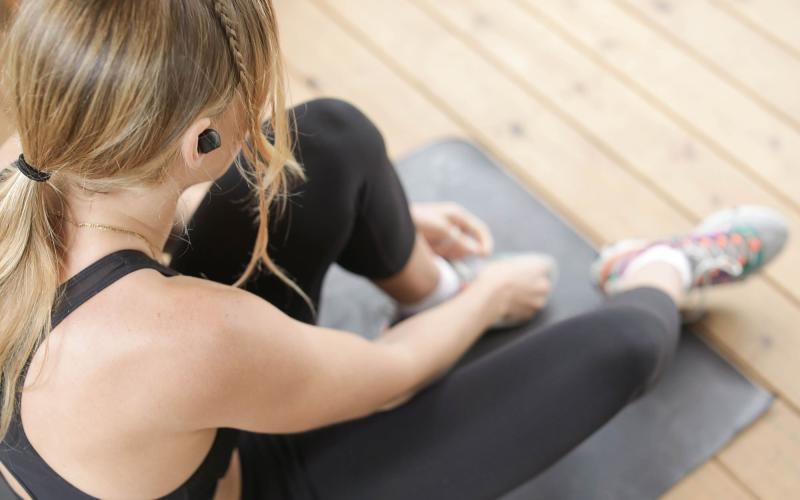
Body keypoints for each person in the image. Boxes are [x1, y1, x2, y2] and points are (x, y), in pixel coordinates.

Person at [0, 1, 788, 499]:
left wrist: (403, 237)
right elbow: (388, 380)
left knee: (327, 138)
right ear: (200, 139)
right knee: (620, 345)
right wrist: (489, 297)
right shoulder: (180, 336)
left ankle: (427, 284)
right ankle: (663, 267)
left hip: (161, 424)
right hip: (256, 478)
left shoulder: (27, 166)